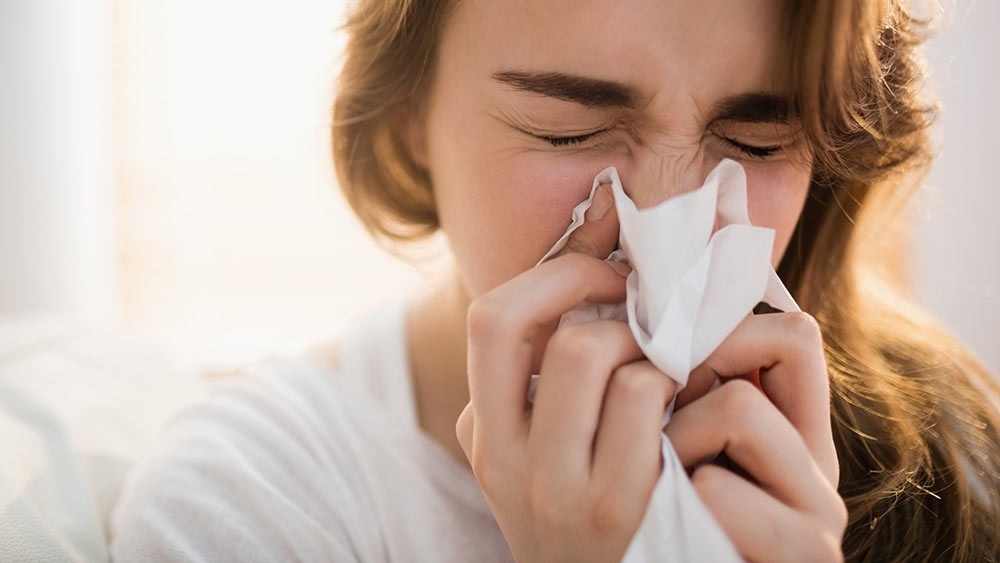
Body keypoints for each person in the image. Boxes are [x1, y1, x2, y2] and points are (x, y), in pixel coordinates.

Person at [110, 0, 1000, 561]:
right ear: (409, 113)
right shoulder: (250, 503)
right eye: (569, 132)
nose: (665, 230)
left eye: (757, 144)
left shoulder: (951, 466)